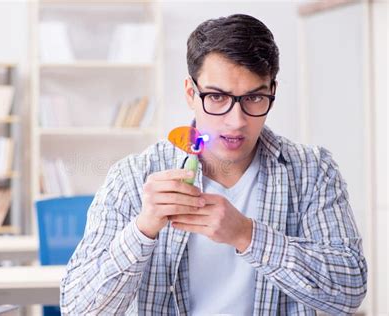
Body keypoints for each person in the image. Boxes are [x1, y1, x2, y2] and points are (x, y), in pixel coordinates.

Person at [60, 14, 367, 315]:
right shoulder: (133, 176)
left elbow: (349, 292)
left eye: (255, 98)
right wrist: (143, 230)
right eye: (217, 97)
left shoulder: (312, 171)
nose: (236, 121)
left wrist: (247, 235)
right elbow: (78, 309)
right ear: (191, 93)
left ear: (272, 91)